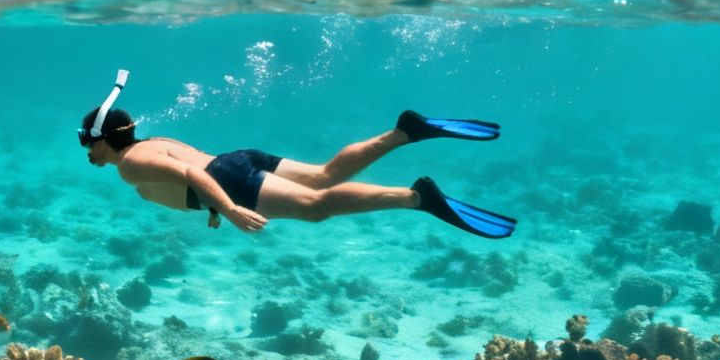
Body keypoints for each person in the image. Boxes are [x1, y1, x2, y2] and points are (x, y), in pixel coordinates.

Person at [76, 72, 516, 238]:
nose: (86, 152)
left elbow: (192, 173)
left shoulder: (130, 164)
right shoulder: (153, 143)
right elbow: (190, 172)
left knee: (317, 207)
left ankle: (418, 198)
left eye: (85, 142)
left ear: (102, 139)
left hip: (228, 181)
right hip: (238, 161)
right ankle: (405, 131)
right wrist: (214, 208)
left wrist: (228, 208)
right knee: (325, 176)